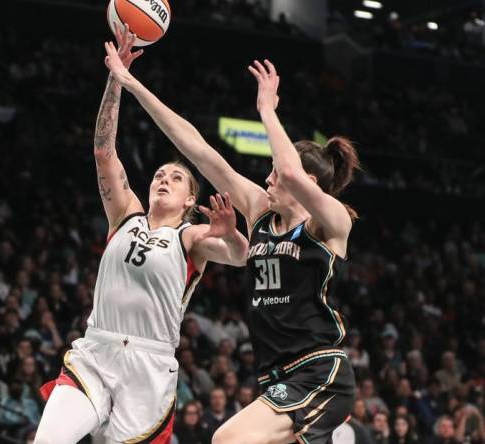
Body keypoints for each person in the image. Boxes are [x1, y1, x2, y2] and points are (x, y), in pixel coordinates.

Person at [104, 41, 359, 444]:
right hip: (276, 376)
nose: (268, 180)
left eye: (273, 172)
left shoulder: (331, 224)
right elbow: (199, 149)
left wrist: (267, 111)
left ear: (311, 185)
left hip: (318, 372)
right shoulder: (260, 213)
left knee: (226, 439)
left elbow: (290, 173)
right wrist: (131, 83)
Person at [34, 25, 249, 444]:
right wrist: (116, 79)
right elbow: (103, 150)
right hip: (96, 351)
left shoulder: (192, 237)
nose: (164, 180)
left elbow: (241, 256)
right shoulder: (125, 215)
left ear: (191, 199)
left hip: (149, 368)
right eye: (159, 175)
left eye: (176, 178)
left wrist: (232, 232)